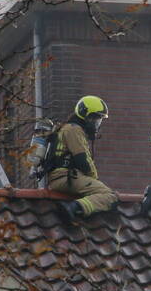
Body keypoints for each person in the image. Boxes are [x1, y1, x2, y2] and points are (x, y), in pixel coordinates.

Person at [46, 95, 118, 223]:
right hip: (65, 178)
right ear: (85, 116)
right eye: (95, 118)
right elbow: (83, 160)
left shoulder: (69, 129)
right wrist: (94, 180)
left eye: (99, 120)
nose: (96, 124)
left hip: (62, 178)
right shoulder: (74, 130)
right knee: (109, 196)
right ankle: (73, 208)